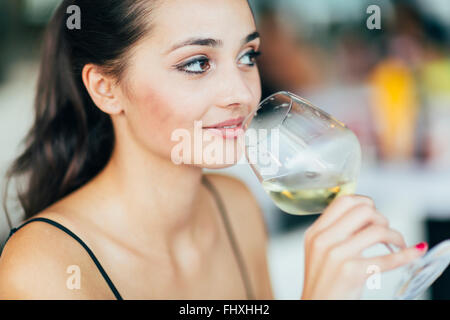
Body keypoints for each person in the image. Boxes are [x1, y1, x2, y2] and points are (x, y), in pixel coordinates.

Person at [0, 0, 427, 300]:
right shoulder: (44, 267)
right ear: (106, 89)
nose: (242, 93)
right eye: (198, 63)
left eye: (247, 55)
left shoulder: (237, 208)